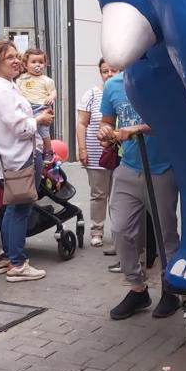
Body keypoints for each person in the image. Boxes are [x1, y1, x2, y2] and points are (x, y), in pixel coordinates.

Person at [99, 70, 181, 320]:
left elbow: (174, 122)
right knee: (121, 230)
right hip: (129, 166)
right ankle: (137, 288)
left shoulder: (164, 80)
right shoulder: (112, 85)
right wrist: (105, 132)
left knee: (165, 232)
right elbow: (107, 122)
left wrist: (141, 128)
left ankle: (172, 288)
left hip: (161, 169)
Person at [0, 40, 55, 282]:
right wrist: (40, 120)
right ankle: (18, 264)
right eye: (8, 57)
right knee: (20, 209)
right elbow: (21, 128)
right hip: (18, 156)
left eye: (15, 55)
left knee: (12, 209)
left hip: (10, 155)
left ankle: (6, 258)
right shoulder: (2, 91)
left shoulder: (1, 86)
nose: (15, 60)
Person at [77, 59, 118, 249]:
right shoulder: (92, 94)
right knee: (99, 194)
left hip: (121, 155)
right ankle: (97, 231)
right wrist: (82, 149)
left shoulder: (125, 91)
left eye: (113, 70)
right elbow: (82, 123)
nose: (109, 74)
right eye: (105, 71)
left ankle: (120, 234)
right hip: (96, 155)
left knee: (118, 196)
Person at [17, 48, 57, 158]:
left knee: (43, 129)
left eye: (41, 62)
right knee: (26, 129)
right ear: (25, 65)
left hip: (40, 107)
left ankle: (48, 150)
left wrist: (51, 96)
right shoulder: (21, 79)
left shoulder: (47, 80)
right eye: (33, 62)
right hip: (26, 107)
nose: (37, 65)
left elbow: (53, 91)